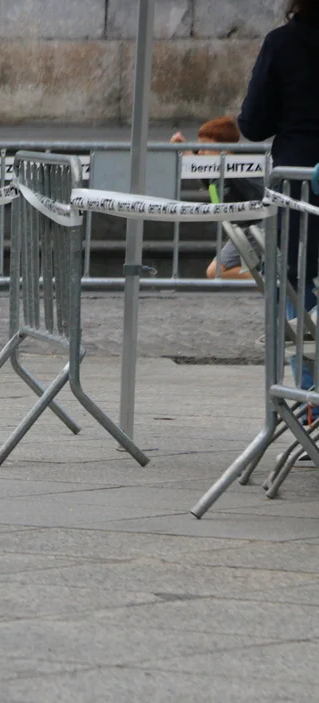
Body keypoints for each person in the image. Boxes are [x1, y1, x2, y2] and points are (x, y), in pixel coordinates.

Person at [238, 0, 319, 402]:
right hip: (300, 181)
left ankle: (311, 399)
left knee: (297, 285)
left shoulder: (284, 43)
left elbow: (253, 123)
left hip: (299, 181)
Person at [170, 116, 265, 280]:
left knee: (215, 271)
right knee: (215, 271)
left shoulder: (239, 170)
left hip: (252, 228)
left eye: (205, 147)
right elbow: (199, 170)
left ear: (224, 150)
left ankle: (271, 282)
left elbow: (259, 193)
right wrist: (183, 149)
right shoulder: (214, 171)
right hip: (239, 229)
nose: (200, 152)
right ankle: (270, 283)